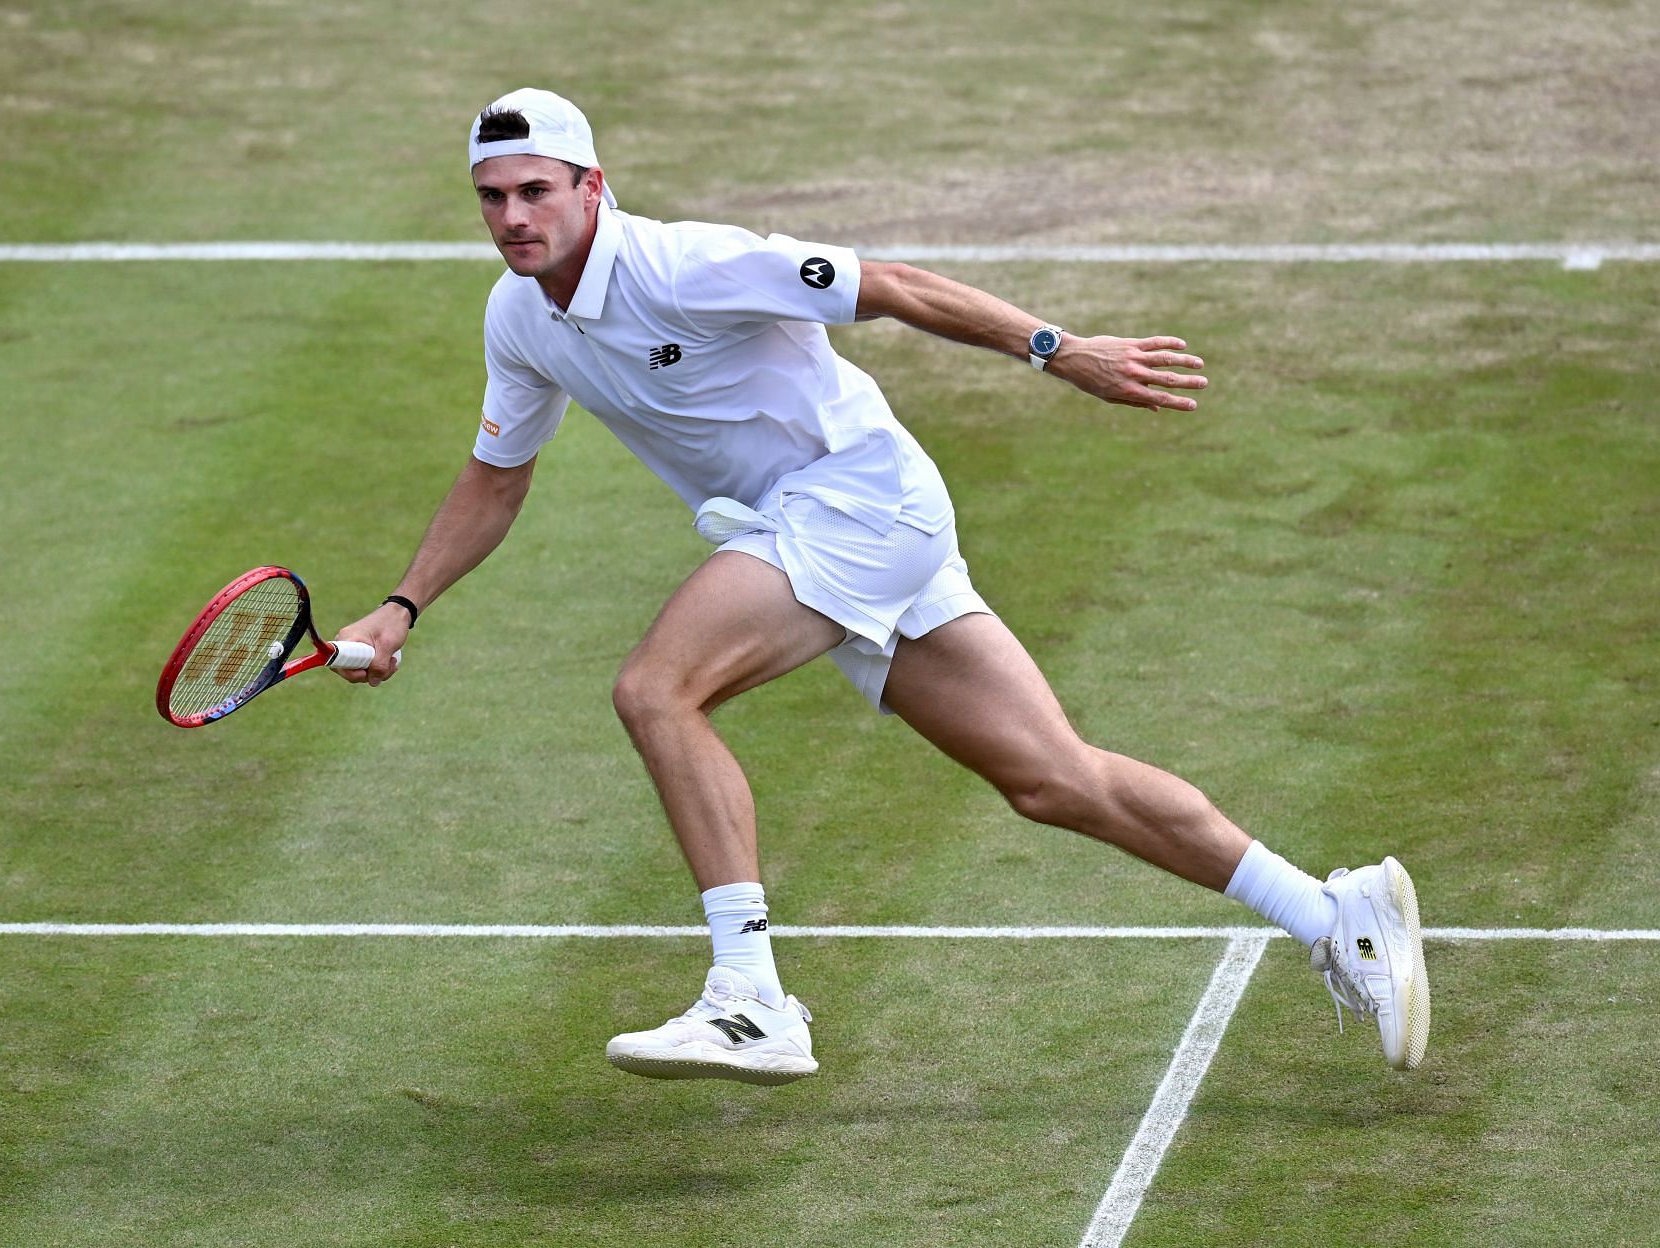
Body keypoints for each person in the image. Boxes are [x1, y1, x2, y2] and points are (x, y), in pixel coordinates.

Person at [334, 88, 1429, 1084]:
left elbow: (893, 287)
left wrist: (1063, 350)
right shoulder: (519, 319)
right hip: (816, 524)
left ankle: (752, 1000)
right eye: (493, 198)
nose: (515, 216)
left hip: (859, 502)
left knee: (655, 690)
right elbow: (495, 477)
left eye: (536, 190)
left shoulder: (691, 264)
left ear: (592, 188)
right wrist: (403, 604)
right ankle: (1335, 913)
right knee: (1052, 780)